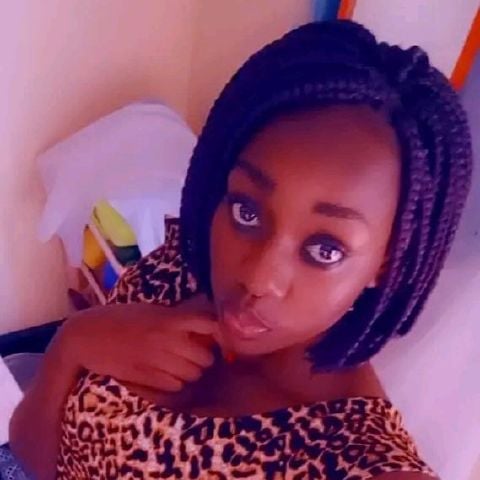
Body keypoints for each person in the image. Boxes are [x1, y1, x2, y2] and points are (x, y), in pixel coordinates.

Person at [9, 20, 472, 480]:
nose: (257, 277)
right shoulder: (175, 274)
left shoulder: (362, 462)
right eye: (247, 211)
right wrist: (74, 343)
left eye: (325, 249)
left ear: (386, 263)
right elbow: (31, 455)